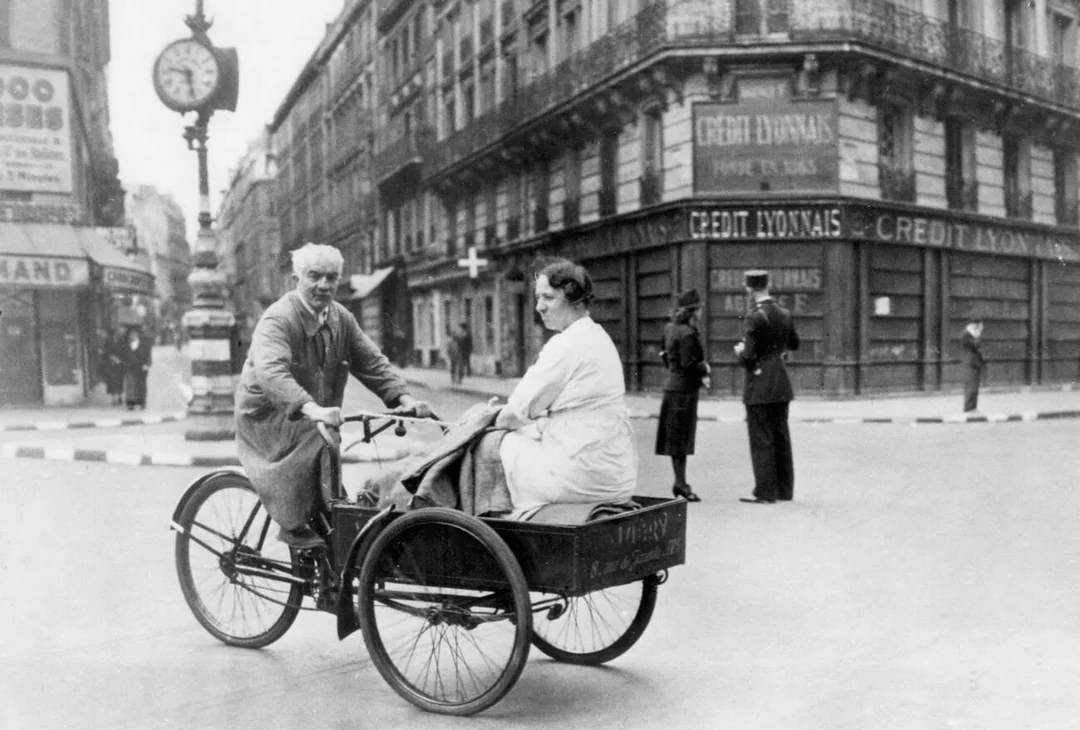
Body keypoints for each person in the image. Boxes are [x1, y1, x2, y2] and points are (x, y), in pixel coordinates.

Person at [235, 243, 433, 548]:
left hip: (311, 415)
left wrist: (405, 399)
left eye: (331, 278)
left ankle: (331, 538)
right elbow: (271, 372)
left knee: (326, 444)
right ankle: (293, 523)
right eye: (314, 276)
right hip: (268, 415)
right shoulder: (278, 319)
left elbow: (372, 361)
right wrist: (310, 408)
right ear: (296, 279)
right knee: (319, 436)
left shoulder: (341, 318)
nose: (323, 285)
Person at [495, 258, 637, 514]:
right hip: (616, 475)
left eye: (548, 298)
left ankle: (495, 519)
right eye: (538, 298)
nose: (539, 307)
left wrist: (484, 424)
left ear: (574, 298)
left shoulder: (565, 344)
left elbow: (515, 412)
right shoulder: (598, 336)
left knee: (494, 445)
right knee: (527, 438)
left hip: (578, 477)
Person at [733, 270, 799, 504]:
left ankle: (765, 492)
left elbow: (749, 356)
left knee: (761, 438)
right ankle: (784, 490)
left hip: (760, 384)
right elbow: (794, 343)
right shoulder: (784, 313)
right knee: (781, 435)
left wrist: (740, 352)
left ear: (750, 289)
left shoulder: (754, 317)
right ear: (767, 285)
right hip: (781, 381)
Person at [655, 289, 710, 503]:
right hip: (684, 392)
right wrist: (704, 368)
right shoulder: (687, 332)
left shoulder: (670, 328)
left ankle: (680, 483)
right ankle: (681, 485)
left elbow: (664, 355)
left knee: (676, 440)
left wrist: (673, 369)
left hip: (672, 388)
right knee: (681, 440)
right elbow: (689, 364)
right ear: (693, 311)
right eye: (699, 309)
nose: (701, 312)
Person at [122, 325, 153, 410]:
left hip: (141, 367)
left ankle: (142, 402)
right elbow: (123, 356)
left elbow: (148, 355)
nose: (132, 336)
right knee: (130, 385)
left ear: (137, 335)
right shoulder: (126, 345)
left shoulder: (144, 344)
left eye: (134, 334)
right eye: (131, 335)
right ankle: (131, 403)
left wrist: (147, 364)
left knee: (141, 385)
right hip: (130, 367)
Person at [961, 319, 985, 412]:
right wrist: (979, 334)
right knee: (971, 386)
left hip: (975, 363)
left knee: (975, 386)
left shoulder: (971, 334)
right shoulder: (967, 334)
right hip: (970, 363)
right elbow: (976, 345)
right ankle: (968, 408)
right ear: (976, 324)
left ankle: (973, 407)